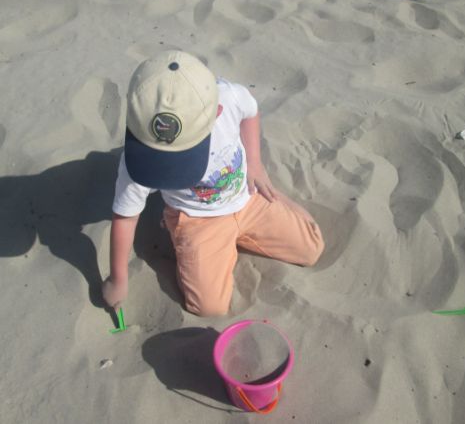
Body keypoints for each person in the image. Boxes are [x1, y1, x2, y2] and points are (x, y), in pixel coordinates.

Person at [102, 51, 324, 316]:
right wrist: (118, 279)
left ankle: (262, 215)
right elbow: (125, 217)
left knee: (312, 249)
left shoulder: (228, 96)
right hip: (197, 219)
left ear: (217, 112)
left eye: (183, 152)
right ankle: (189, 245)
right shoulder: (139, 159)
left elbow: (250, 111)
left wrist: (255, 162)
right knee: (210, 307)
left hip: (247, 197)